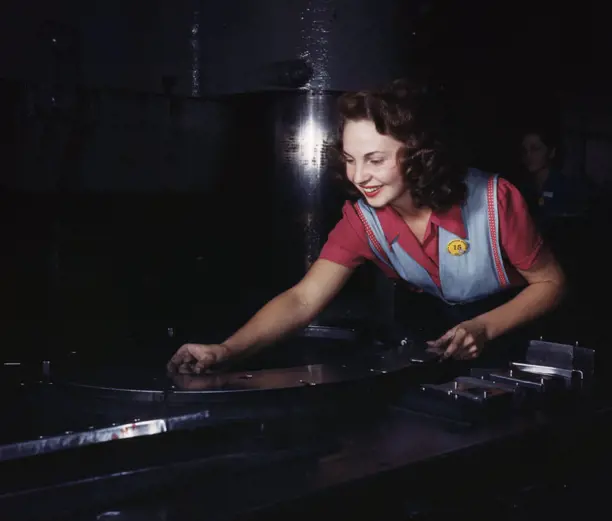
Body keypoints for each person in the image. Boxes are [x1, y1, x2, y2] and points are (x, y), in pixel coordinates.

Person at [168, 81, 566, 375]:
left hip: (517, 340)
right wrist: (226, 350)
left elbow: (551, 284)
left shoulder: (497, 201)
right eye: (350, 159)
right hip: (443, 345)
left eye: (375, 159)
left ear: (418, 155)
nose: (359, 176)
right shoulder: (362, 221)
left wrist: (485, 327)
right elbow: (303, 299)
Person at [519, 127, 589, 220]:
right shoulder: (523, 189)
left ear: (551, 152)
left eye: (535, 149)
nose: (529, 155)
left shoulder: (565, 188)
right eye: (525, 150)